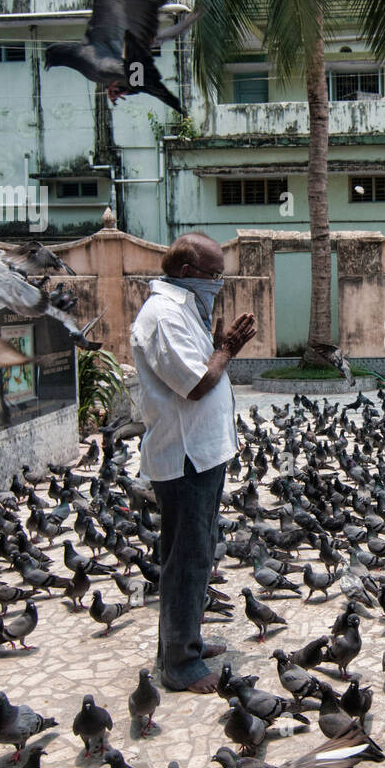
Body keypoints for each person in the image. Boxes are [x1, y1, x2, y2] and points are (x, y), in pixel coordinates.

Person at [130, 232, 256, 692]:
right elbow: (197, 382)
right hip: (184, 455)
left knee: (196, 553)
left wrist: (218, 344)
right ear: (186, 273)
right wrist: (226, 350)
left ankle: (185, 641)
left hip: (202, 451)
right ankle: (179, 665)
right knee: (186, 558)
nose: (218, 284)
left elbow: (201, 369)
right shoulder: (163, 316)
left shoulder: (184, 309)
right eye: (213, 275)